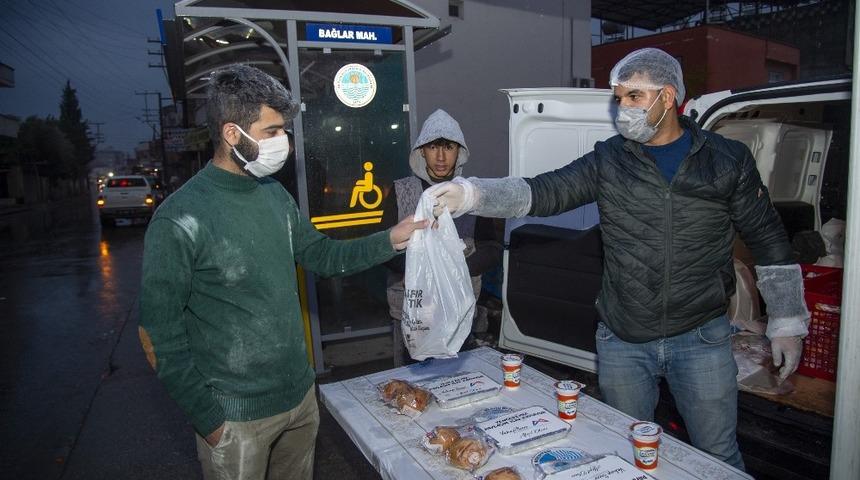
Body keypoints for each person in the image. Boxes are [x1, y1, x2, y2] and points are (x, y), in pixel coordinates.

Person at [426, 48, 810, 470]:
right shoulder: (611, 159)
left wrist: (787, 319)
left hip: (700, 336)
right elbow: (544, 191)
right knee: (624, 453)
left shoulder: (725, 160)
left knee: (716, 456)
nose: (622, 107)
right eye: (618, 97)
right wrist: (474, 193)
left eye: (633, 97)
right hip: (624, 338)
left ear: (667, 98)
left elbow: (768, 236)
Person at [138, 65, 426, 480]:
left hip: (298, 401)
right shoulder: (180, 218)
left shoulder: (274, 196)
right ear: (232, 134)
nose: (284, 143)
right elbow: (158, 336)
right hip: (234, 418)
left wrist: (390, 239)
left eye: (284, 131)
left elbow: (320, 255)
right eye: (272, 131)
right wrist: (211, 422)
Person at [382, 109, 503, 365]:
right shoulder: (402, 191)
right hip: (414, 314)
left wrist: (455, 269)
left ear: (459, 152)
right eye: (433, 147)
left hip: (459, 310)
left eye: (448, 147)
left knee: (458, 380)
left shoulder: (471, 194)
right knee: (412, 382)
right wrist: (425, 270)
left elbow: (492, 248)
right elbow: (384, 248)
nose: (440, 156)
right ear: (421, 151)